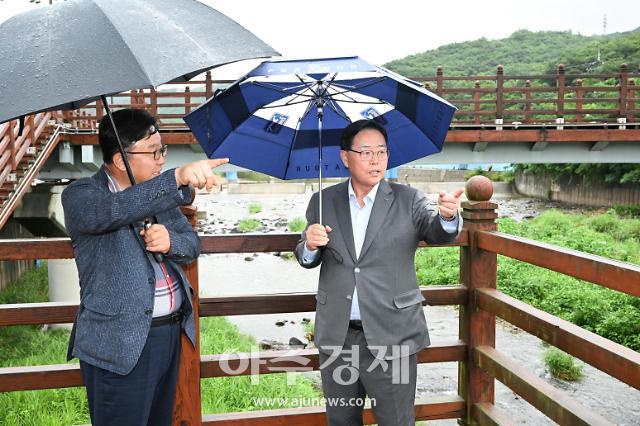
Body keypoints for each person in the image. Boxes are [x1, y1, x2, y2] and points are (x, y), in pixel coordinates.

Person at [61, 108, 228, 426]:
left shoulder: (159, 198)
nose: (161, 160)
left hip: (168, 334)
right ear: (122, 160)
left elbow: (192, 246)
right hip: (120, 344)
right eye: (154, 152)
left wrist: (170, 242)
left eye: (162, 151)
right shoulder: (82, 195)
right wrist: (177, 179)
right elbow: (114, 210)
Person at [294, 119, 463, 426]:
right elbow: (306, 258)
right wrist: (310, 243)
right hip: (338, 336)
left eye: (382, 152)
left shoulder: (407, 199)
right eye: (366, 152)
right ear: (346, 157)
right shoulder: (322, 202)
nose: (376, 160)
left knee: (396, 420)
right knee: (341, 419)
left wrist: (448, 217)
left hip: (393, 335)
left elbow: (436, 231)